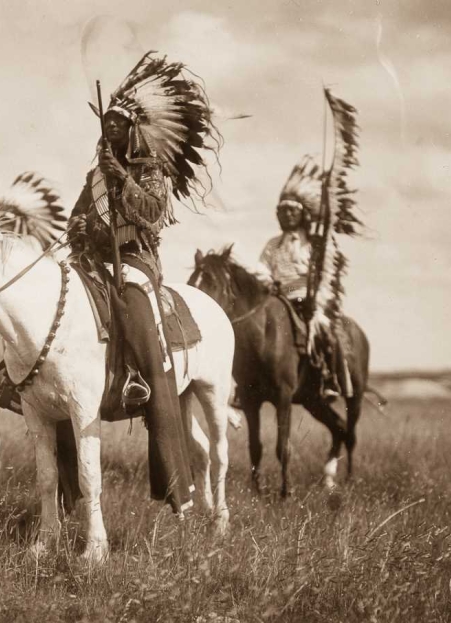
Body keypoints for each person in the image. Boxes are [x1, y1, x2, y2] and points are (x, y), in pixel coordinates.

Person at [66, 52, 221, 515]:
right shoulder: (94, 175)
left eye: (117, 125)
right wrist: (77, 236)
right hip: (94, 262)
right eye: (105, 125)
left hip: (135, 261)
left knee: (135, 310)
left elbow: (153, 214)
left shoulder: (149, 169)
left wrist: (124, 182)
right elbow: (78, 217)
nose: (109, 131)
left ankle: (144, 383)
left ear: (132, 130)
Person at [253, 155, 345, 400]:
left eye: (292, 211)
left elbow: (325, 274)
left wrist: (310, 290)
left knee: (323, 331)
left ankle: (328, 378)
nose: (287, 215)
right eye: (282, 211)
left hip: (307, 300)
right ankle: (248, 385)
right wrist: (269, 283)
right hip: (277, 297)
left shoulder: (314, 244)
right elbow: (261, 269)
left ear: (302, 214)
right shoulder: (273, 244)